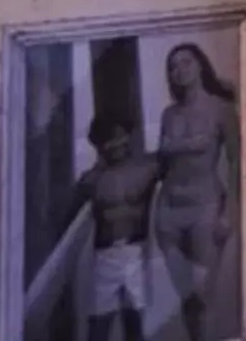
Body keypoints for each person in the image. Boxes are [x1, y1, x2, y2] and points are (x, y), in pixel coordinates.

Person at [152, 43, 238, 341]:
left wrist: (229, 213)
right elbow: (160, 166)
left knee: (203, 295)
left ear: (201, 65)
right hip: (168, 213)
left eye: (186, 63)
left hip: (205, 207)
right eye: (173, 67)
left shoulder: (221, 109)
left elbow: (237, 163)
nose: (179, 71)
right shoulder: (168, 115)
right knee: (187, 296)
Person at [70, 108, 164, 341]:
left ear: (129, 135)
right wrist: (99, 165)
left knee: (135, 324)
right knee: (98, 327)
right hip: (105, 257)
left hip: (136, 253)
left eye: (119, 136)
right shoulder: (93, 180)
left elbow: (184, 169)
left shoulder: (148, 167)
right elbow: (72, 202)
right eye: (108, 140)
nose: (115, 144)